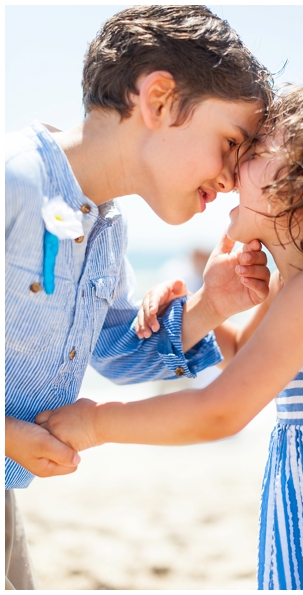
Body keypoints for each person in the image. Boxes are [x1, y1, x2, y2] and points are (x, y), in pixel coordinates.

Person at [37, 85, 303, 590]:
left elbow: (221, 411)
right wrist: (206, 307)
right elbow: (244, 356)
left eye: (251, 153)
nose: (228, 175)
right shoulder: (298, 284)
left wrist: (97, 423)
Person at [5, 6, 273, 588]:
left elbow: (112, 356)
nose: (232, 177)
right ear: (158, 101)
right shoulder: (12, 179)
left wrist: (209, 306)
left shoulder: (106, 229)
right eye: (231, 143)